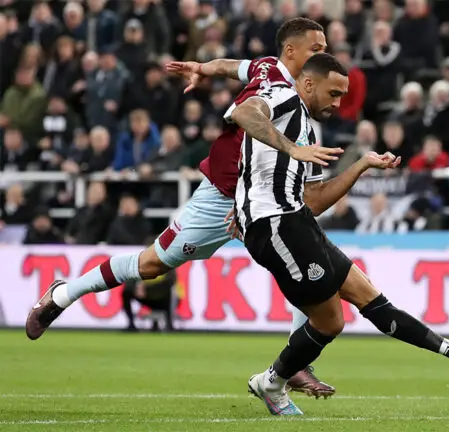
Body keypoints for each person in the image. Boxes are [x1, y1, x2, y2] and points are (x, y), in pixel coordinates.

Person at [25, 18, 343, 398]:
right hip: (221, 197)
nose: (323, 55)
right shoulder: (273, 84)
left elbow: (233, 66)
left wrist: (205, 69)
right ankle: (64, 294)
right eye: (316, 49)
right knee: (152, 264)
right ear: (291, 51)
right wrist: (285, 157)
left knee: (304, 260)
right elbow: (248, 115)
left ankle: (295, 366)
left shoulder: (271, 74)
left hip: (261, 200)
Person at [234, 53, 449, 416]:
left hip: (297, 219)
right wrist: (291, 149)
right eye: (334, 93)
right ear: (309, 83)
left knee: (370, 297)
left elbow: (312, 200)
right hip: (274, 224)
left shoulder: (309, 128)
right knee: (331, 321)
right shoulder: (283, 97)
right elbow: (244, 113)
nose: (338, 103)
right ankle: (272, 382)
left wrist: (361, 166)